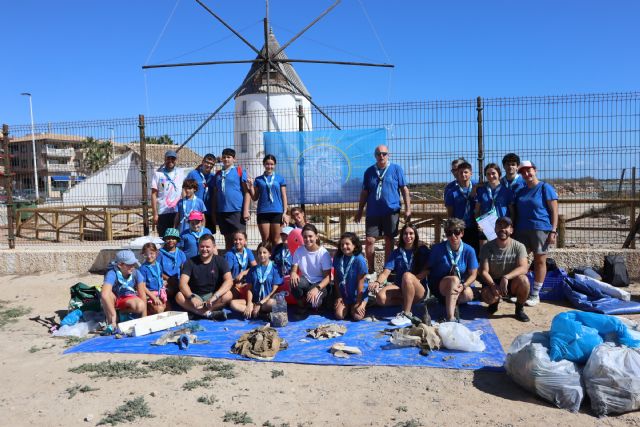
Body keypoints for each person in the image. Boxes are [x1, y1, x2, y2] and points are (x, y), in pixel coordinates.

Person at [355, 145, 411, 274]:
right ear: (375, 155)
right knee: (369, 240)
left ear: (388, 155)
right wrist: (359, 210)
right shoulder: (369, 171)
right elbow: (364, 192)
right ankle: (371, 270)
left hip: (391, 211)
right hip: (373, 212)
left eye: (384, 153)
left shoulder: (396, 169)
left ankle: (387, 271)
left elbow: (404, 189)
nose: (382, 156)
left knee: (389, 240)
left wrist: (408, 208)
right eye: (379, 154)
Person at [512, 160, 559, 307]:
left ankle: (535, 294)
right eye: (523, 172)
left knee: (539, 261)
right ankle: (522, 292)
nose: (526, 174)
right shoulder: (520, 191)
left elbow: (554, 212)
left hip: (541, 229)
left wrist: (553, 230)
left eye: (529, 170)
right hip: (521, 230)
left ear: (535, 170)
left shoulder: (545, 188)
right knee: (520, 262)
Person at [371, 223, 430, 327]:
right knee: (380, 298)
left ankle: (407, 314)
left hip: (418, 289)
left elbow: (427, 270)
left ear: (415, 235)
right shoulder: (396, 252)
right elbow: (386, 272)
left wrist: (411, 280)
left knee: (407, 276)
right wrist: (377, 282)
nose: (408, 236)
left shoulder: (423, 250)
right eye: (405, 234)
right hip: (400, 287)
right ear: (402, 236)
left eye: (411, 233)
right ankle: (407, 301)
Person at [479, 216, 530, 322]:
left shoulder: (519, 246)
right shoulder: (487, 247)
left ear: (511, 230)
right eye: (499, 226)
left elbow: (524, 268)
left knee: (524, 281)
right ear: (495, 229)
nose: (502, 229)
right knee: (488, 297)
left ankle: (519, 309)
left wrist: (506, 277)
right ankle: (494, 303)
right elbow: (483, 271)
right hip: (492, 281)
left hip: (511, 281)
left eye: (506, 226)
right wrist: (493, 286)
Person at [427, 218, 478, 322]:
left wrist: (464, 285)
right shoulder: (437, 249)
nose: (453, 236)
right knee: (453, 280)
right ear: (446, 234)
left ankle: (450, 301)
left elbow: (473, 274)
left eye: (457, 232)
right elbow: (428, 268)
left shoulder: (469, 250)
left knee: (468, 295)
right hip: (440, 286)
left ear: (462, 233)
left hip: (459, 286)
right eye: (449, 233)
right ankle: (450, 317)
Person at [175, 234, 232, 320]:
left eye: (207, 247)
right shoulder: (190, 262)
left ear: (214, 247)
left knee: (228, 295)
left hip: (212, 296)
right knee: (179, 296)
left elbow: (229, 281)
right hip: (195, 296)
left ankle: (197, 312)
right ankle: (207, 314)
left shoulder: (221, 261)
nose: (204, 249)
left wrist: (215, 296)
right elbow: (182, 283)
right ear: (198, 247)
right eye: (202, 246)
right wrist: (192, 297)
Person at [230, 242, 283, 319]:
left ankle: (254, 313)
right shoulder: (253, 269)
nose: (262, 255)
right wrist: (249, 304)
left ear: (270, 254)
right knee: (233, 303)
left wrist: (260, 303)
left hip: (266, 302)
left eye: (264, 252)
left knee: (273, 303)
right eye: (259, 253)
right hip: (254, 302)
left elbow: (273, 291)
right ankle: (261, 315)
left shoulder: (275, 269)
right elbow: (249, 289)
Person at [212, 148, 252, 250]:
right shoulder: (218, 174)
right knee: (228, 240)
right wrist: (215, 211)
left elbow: (247, 192)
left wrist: (246, 210)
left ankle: (244, 263)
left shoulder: (239, 171)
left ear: (234, 159)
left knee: (240, 239)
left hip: (236, 211)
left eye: (229, 157)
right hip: (222, 211)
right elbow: (216, 194)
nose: (226, 159)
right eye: (224, 157)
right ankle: (230, 263)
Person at [100, 250, 146, 335]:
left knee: (140, 305)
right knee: (107, 294)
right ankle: (112, 322)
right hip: (114, 300)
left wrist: (144, 318)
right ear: (120, 265)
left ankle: (121, 312)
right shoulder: (112, 273)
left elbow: (142, 294)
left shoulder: (136, 273)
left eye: (133, 264)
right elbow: (104, 294)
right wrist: (113, 314)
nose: (132, 267)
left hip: (127, 299)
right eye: (129, 265)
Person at [290, 224, 332, 316]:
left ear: (316, 237)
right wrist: (293, 273)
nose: (307, 239)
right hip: (306, 281)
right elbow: (294, 268)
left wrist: (317, 288)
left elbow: (327, 278)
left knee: (314, 302)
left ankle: (317, 303)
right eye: (305, 237)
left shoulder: (323, 253)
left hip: (320, 283)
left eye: (310, 236)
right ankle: (302, 305)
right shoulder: (299, 251)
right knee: (293, 282)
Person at [249, 154, 289, 246]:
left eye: (272, 164)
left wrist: (285, 212)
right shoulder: (258, 180)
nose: (269, 166)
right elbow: (255, 197)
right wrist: (251, 187)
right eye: (267, 164)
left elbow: (284, 195)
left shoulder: (280, 178)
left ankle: (275, 259)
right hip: (263, 212)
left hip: (277, 211)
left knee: (275, 240)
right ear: (264, 164)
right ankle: (266, 260)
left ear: (275, 165)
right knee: (266, 241)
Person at [474, 163, 513, 246]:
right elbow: (477, 210)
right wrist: (479, 223)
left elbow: (512, 211)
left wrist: (511, 226)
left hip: (503, 225)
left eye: (493, 173)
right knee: (484, 252)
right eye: (488, 174)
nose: (491, 176)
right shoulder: (481, 191)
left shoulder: (507, 191)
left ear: (499, 174)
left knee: (501, 252)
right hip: (486, 226)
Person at [333, 232, 368, 321]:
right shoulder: (338, 257)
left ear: (354, 246)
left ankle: (363, 302)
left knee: (357, 317)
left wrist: (359, 302)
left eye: (347, 244)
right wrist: (339, 296)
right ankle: (348, 306)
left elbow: (361, 283)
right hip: (344, 294)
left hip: (358, 295)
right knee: (339, 316)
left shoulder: (359, 259)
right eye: (342, 245)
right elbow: (336, 278)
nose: (344, 247)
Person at [445, 161, 479, 254]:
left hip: (475, 226)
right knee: (461, 252)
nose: (463, 175)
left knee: (476, 252)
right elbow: (450, 213)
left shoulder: (478, 186)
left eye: (466, 172)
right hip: (459, 228)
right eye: (460, 172)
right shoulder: (451, 192)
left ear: (471, 173)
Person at [151, 150, 185, 238]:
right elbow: (154, 194)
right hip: (163, 212)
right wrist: (155, 214)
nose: (170, 161)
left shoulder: (181, 173)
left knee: (177, 237)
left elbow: (184, 190)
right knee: (163, 238)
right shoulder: (158, 174)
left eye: (173, 159)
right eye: (168, 158)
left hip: (177, 212)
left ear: (176, 160)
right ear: (164, 159)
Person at [186, 153, 216, 232]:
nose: (209, 165)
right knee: (194, 232)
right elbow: (185, 189)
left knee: (208, 234)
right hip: (195, 210)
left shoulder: (213, 177)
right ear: (202, 162)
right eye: (207, 162)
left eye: (211, 164)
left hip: (208, 210)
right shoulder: (193, 174)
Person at [224, 231, 257, 300]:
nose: (237, 242)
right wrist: (235, 283)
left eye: (240, 239)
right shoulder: (229, 254)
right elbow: (226, 275)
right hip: (233, 284)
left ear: (245, 241)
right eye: (235, 240)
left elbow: (255, 267)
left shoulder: (248, 251)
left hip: (244, 283)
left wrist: (243, 273)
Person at [158, 228, 187, 299]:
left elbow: (184, 269)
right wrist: (168, 279)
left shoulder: (181, 253)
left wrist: (181, 281)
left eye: (173, 238)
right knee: (168, 290)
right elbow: (157, 270)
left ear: (177, 240)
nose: (171, 240)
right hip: (165, 280)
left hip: (178, 280)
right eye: (168, 238)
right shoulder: (159, 254)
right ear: (165, 239)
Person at [139, 242, 167, 315]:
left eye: (151, 253)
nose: (149, 256)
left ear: (156, 253)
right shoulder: (143, 269)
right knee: (160, 309)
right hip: (150, 296)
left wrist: (163, 284)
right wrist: (154, 298)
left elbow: (160, 278)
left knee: (168, 308)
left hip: (160, 293)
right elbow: (143, 287)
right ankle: (149, 310)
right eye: (146, 254)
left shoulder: (158, 265)